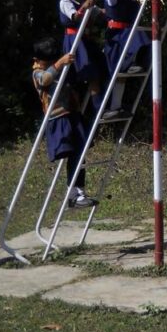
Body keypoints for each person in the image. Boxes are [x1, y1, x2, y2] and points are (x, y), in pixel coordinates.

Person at [32, 37, 99, 209]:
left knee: (80, 153)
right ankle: (73, 194)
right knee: (73, 153)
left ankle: (77, 192)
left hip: (72, 114)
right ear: (39, 60)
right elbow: (44, 80)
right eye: (49, 61)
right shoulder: (37, 72)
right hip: (57, 118)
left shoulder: (58, 67)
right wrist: (59, 64)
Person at [102, 0, 151, 117]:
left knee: (121, 77)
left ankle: (115, 107)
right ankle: (109, 107)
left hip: (127, 36)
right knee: (116, 73)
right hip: (118, 38)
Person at [59, 0, 106, 115]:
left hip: (86, 40)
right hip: (75, 42)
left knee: (99, 71)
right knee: (90, 75)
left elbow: (100, 13)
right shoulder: (65, 2)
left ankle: (98, 108)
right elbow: (75, 17)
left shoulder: (82, 0)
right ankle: (98, 110)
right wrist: (85, 7)